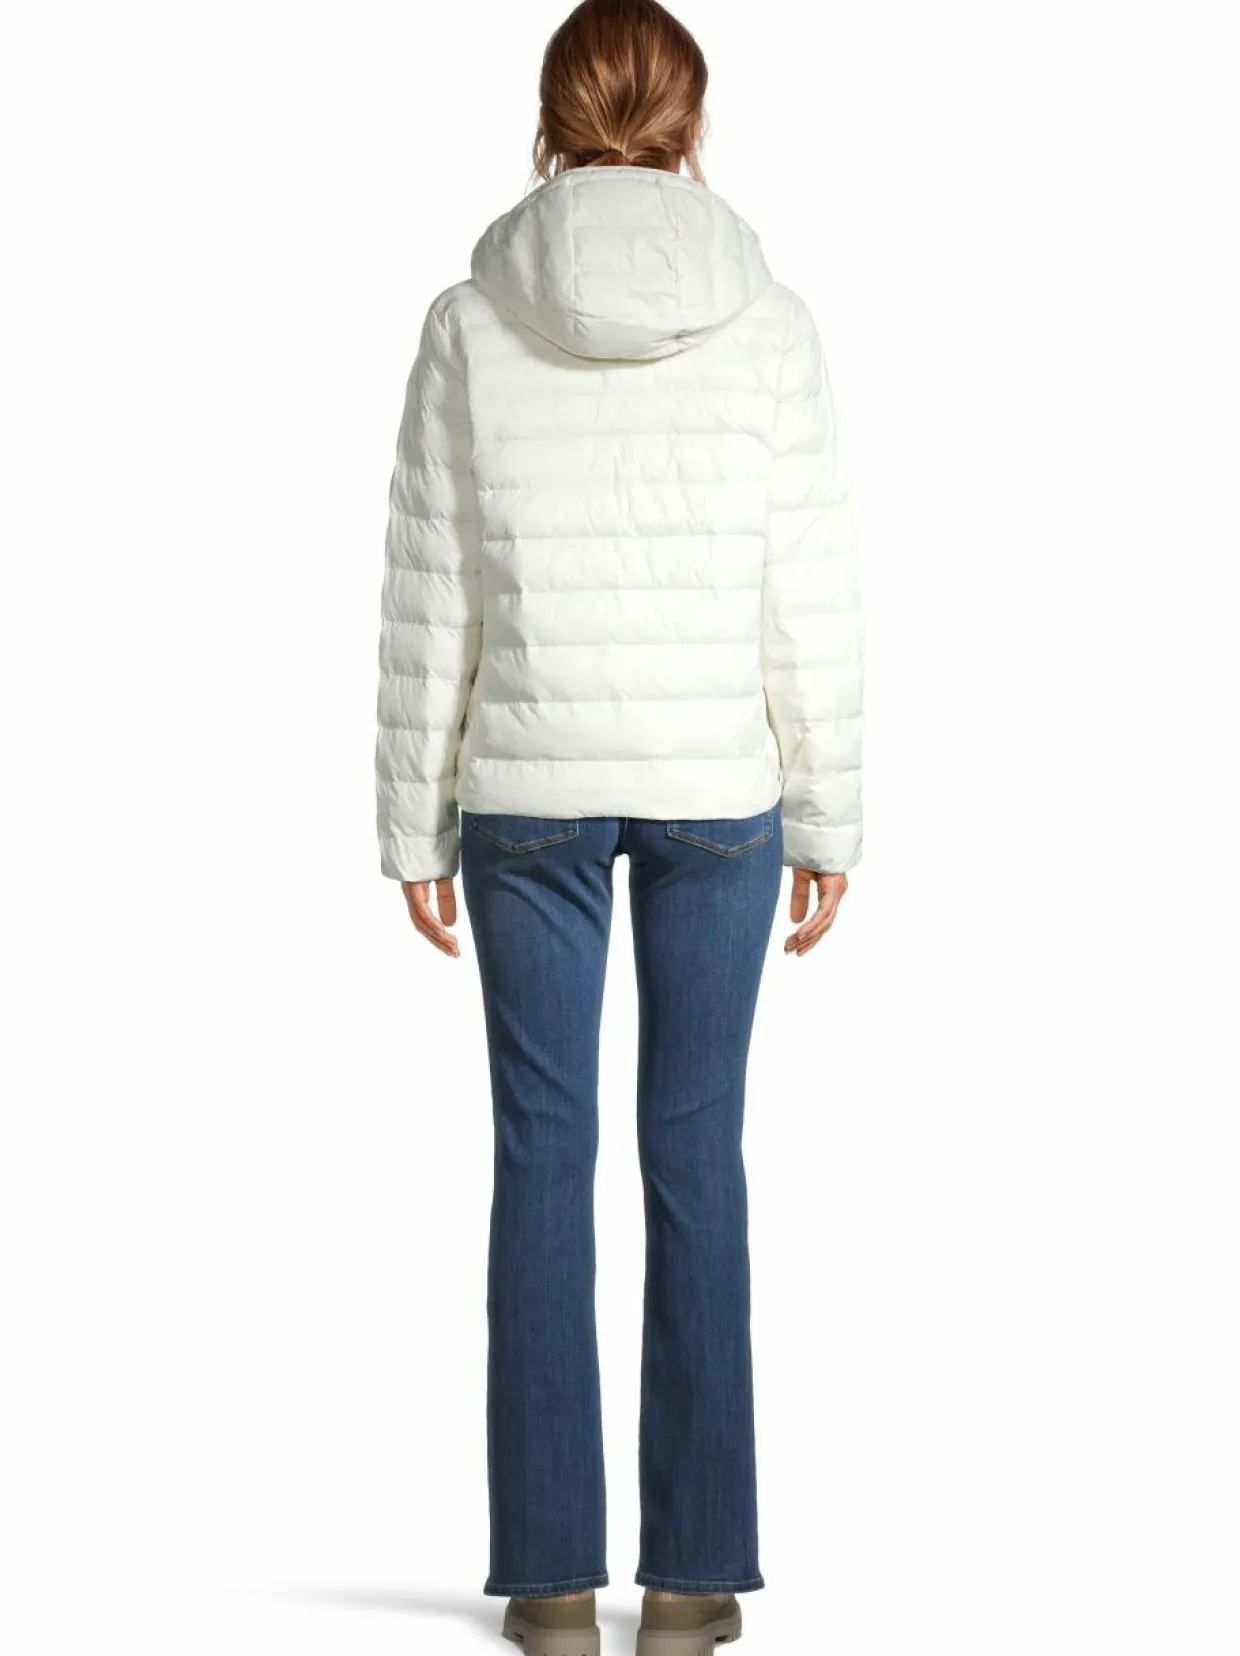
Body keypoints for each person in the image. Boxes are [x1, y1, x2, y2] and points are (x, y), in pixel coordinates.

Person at [375, 1, 862, 1649]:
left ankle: (553, 1587)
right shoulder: (769, 320)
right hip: (720, 789)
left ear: (550, 118)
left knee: (540, 1157)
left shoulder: (469, 318)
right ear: (691, 122)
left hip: (523, 791)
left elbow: (431, 579)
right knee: (694, 1158)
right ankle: (697, 1580)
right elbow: (809, 583)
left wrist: (413, 821)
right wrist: (831, 807)